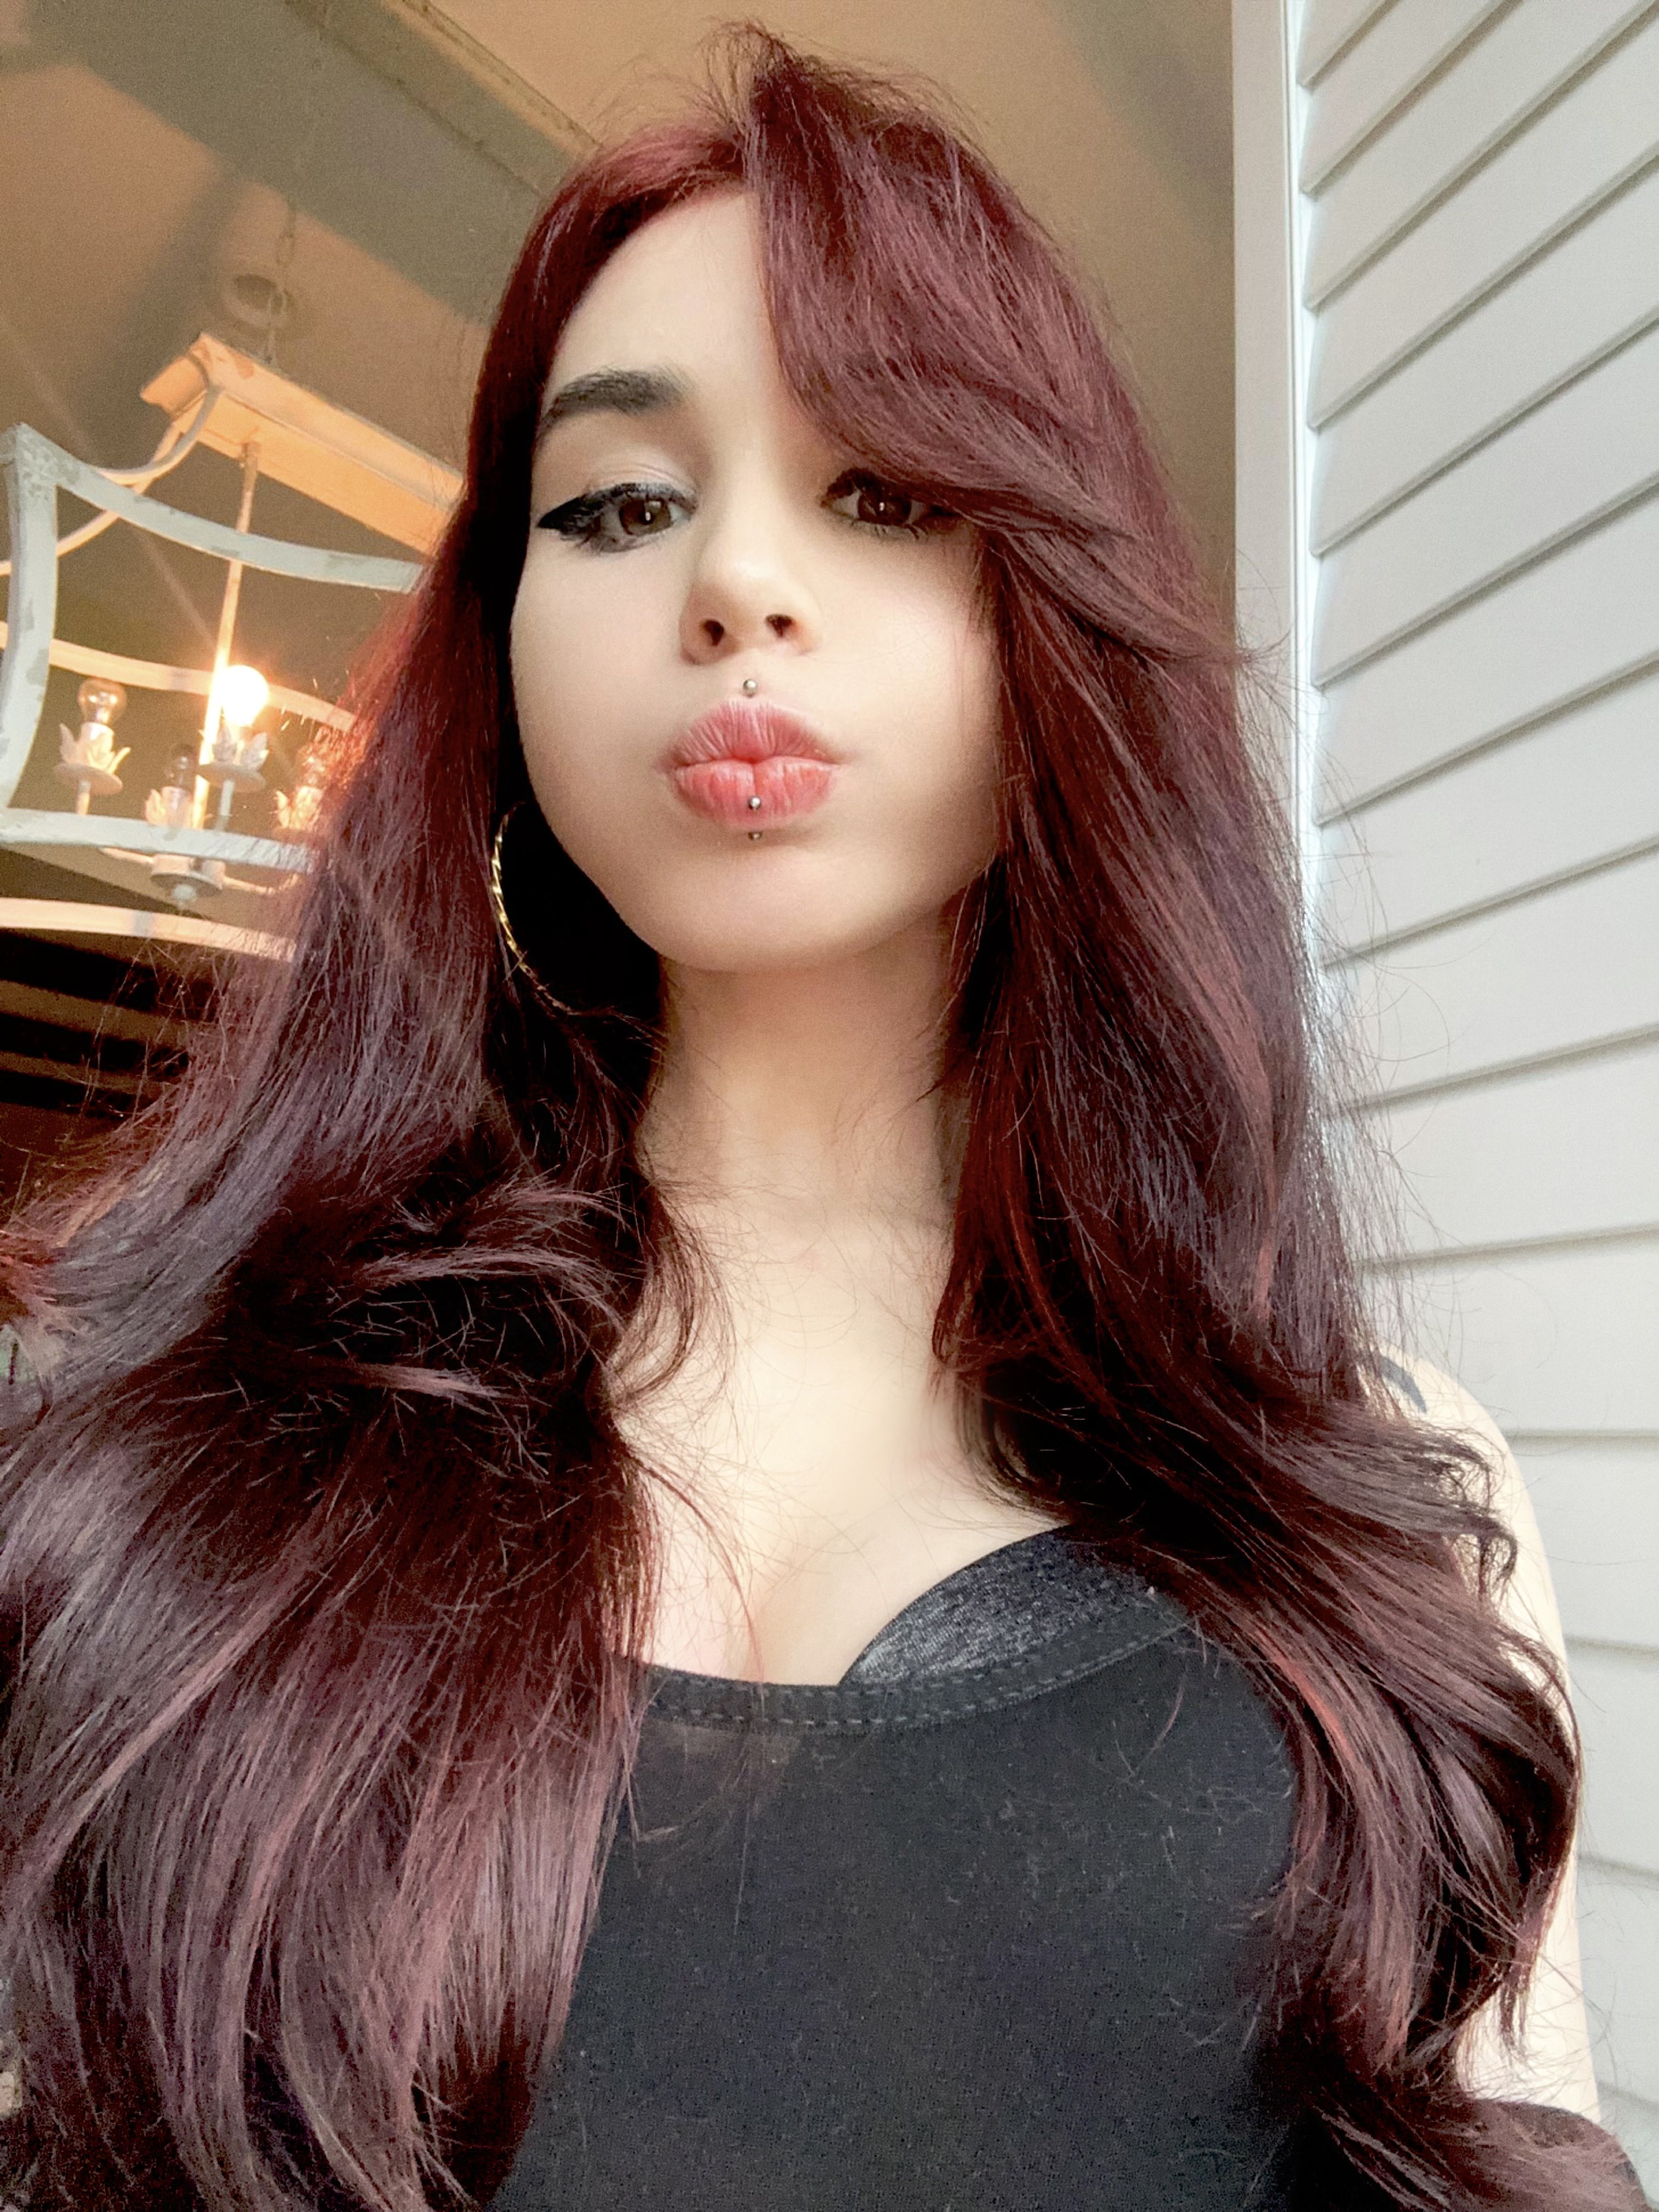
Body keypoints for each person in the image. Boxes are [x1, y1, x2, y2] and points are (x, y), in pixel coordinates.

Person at [0, 32, 1644, 2212]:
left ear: (1055, 611)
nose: (734, 585)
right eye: (619, 504)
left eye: (884, 490)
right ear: (508, 646)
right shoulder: (160, 1453)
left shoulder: (1386, 1505)